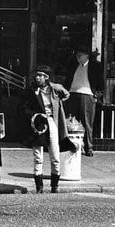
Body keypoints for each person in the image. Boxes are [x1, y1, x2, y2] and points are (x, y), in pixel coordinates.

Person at [22, 65, 71, 193]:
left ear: (46, 77)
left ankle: (55, 186)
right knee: (38, 157)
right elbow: (24, 108)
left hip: (52, 122)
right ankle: (39, 187)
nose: (38, 78)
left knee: (55, 155)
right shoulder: (31, 90)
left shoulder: (54, 90)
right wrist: (35, 115)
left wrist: (55, 87)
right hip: (38, 123)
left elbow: (67, 94)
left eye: (41, 75)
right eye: (37, 75)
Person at [67, 47, 103, 157]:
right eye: (77, 56)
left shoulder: (95, 67)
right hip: (72, 94)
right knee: (71, 121)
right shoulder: (73, 66)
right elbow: (68, 79)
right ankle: (71, 146)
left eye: (80, 56)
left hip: (87, 95)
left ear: (87, 55)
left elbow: (100, 83)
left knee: (87, 122)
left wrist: (96, 95)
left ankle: (89, 147)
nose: (78, 58)